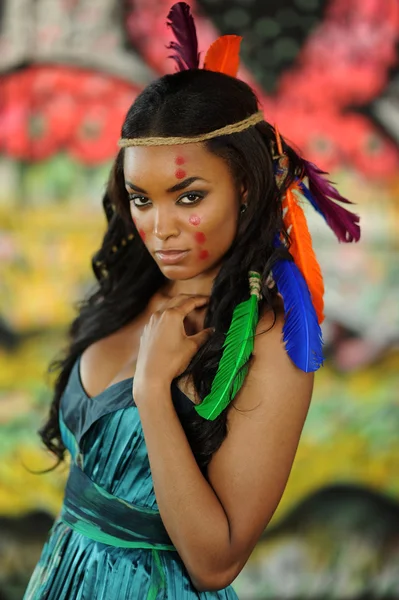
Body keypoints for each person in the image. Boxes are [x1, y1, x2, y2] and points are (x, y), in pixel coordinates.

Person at [23, 3, 360, 599]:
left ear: (247, 186)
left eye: (189, 196)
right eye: (141, 199)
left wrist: (154, 392)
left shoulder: (269, 345)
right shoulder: (132, 291)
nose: (161, 229)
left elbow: (215, 563)